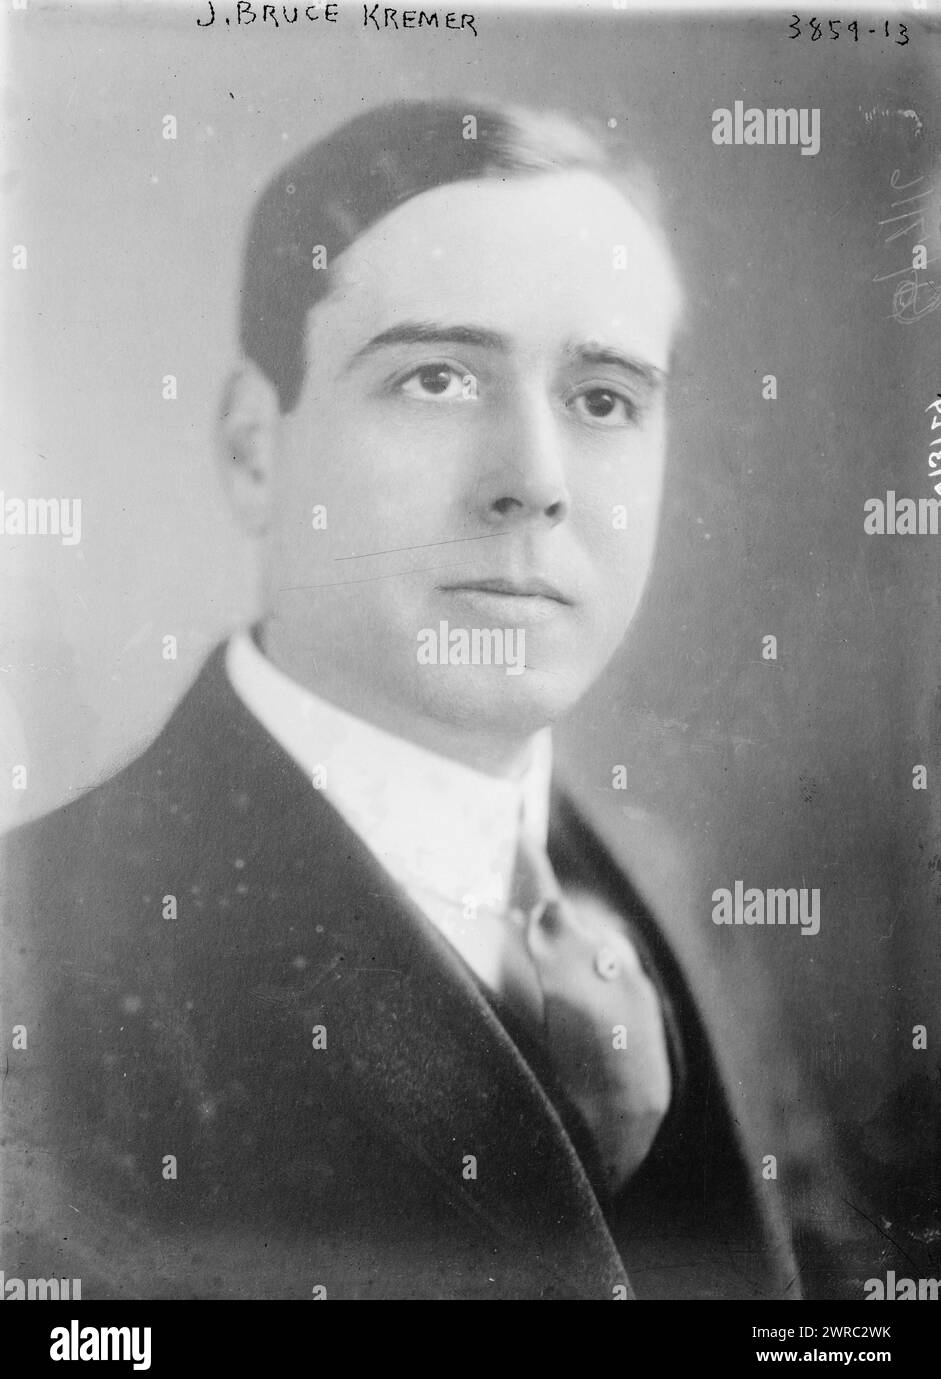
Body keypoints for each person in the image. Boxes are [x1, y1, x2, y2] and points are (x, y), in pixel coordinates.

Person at [0, 99, 843, 1300]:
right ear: (253, 448)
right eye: (437, 378)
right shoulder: (37, 960)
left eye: (603, 398)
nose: (532, 482)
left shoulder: (674, 898)